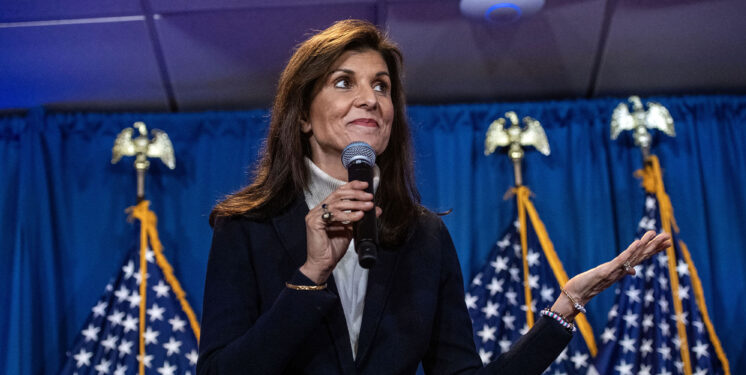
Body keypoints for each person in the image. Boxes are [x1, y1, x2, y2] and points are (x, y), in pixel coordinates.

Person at [197, 19, 671, 375]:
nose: (370, 99)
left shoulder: (423, 236)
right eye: (345, 82)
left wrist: (566, 306)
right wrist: (310, 275)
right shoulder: (246, 225)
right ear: (302, 114)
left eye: (381, 86)